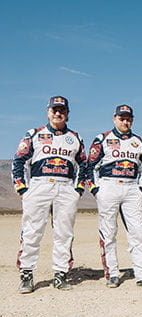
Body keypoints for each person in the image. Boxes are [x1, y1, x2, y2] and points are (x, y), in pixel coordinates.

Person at [13, 96, 87, 293]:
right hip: (39, 185)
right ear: (48, 112)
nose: (58, 113)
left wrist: (78, 189)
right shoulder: (34, 134)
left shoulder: (75, 137)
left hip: (65, 187)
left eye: (62, 110)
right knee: (32, 230)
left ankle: (61, 274)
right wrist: (21, 188)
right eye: (54, 110)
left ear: (67, 114)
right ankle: (27, 274)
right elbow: (19, 161)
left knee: (64, 232)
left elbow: (84, 165)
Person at [85, 104, 142, 289]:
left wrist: (141, 189)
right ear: (114, 119)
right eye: (121, 118)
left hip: (131, 188)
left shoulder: (139, 141)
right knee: (108, 232)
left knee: (137, 232)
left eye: (128, 118)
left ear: (132, 120)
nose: (125, 121)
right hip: (108, 186)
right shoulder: (103, 139)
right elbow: (90, 166)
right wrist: (96, 190)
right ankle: (112, 274)